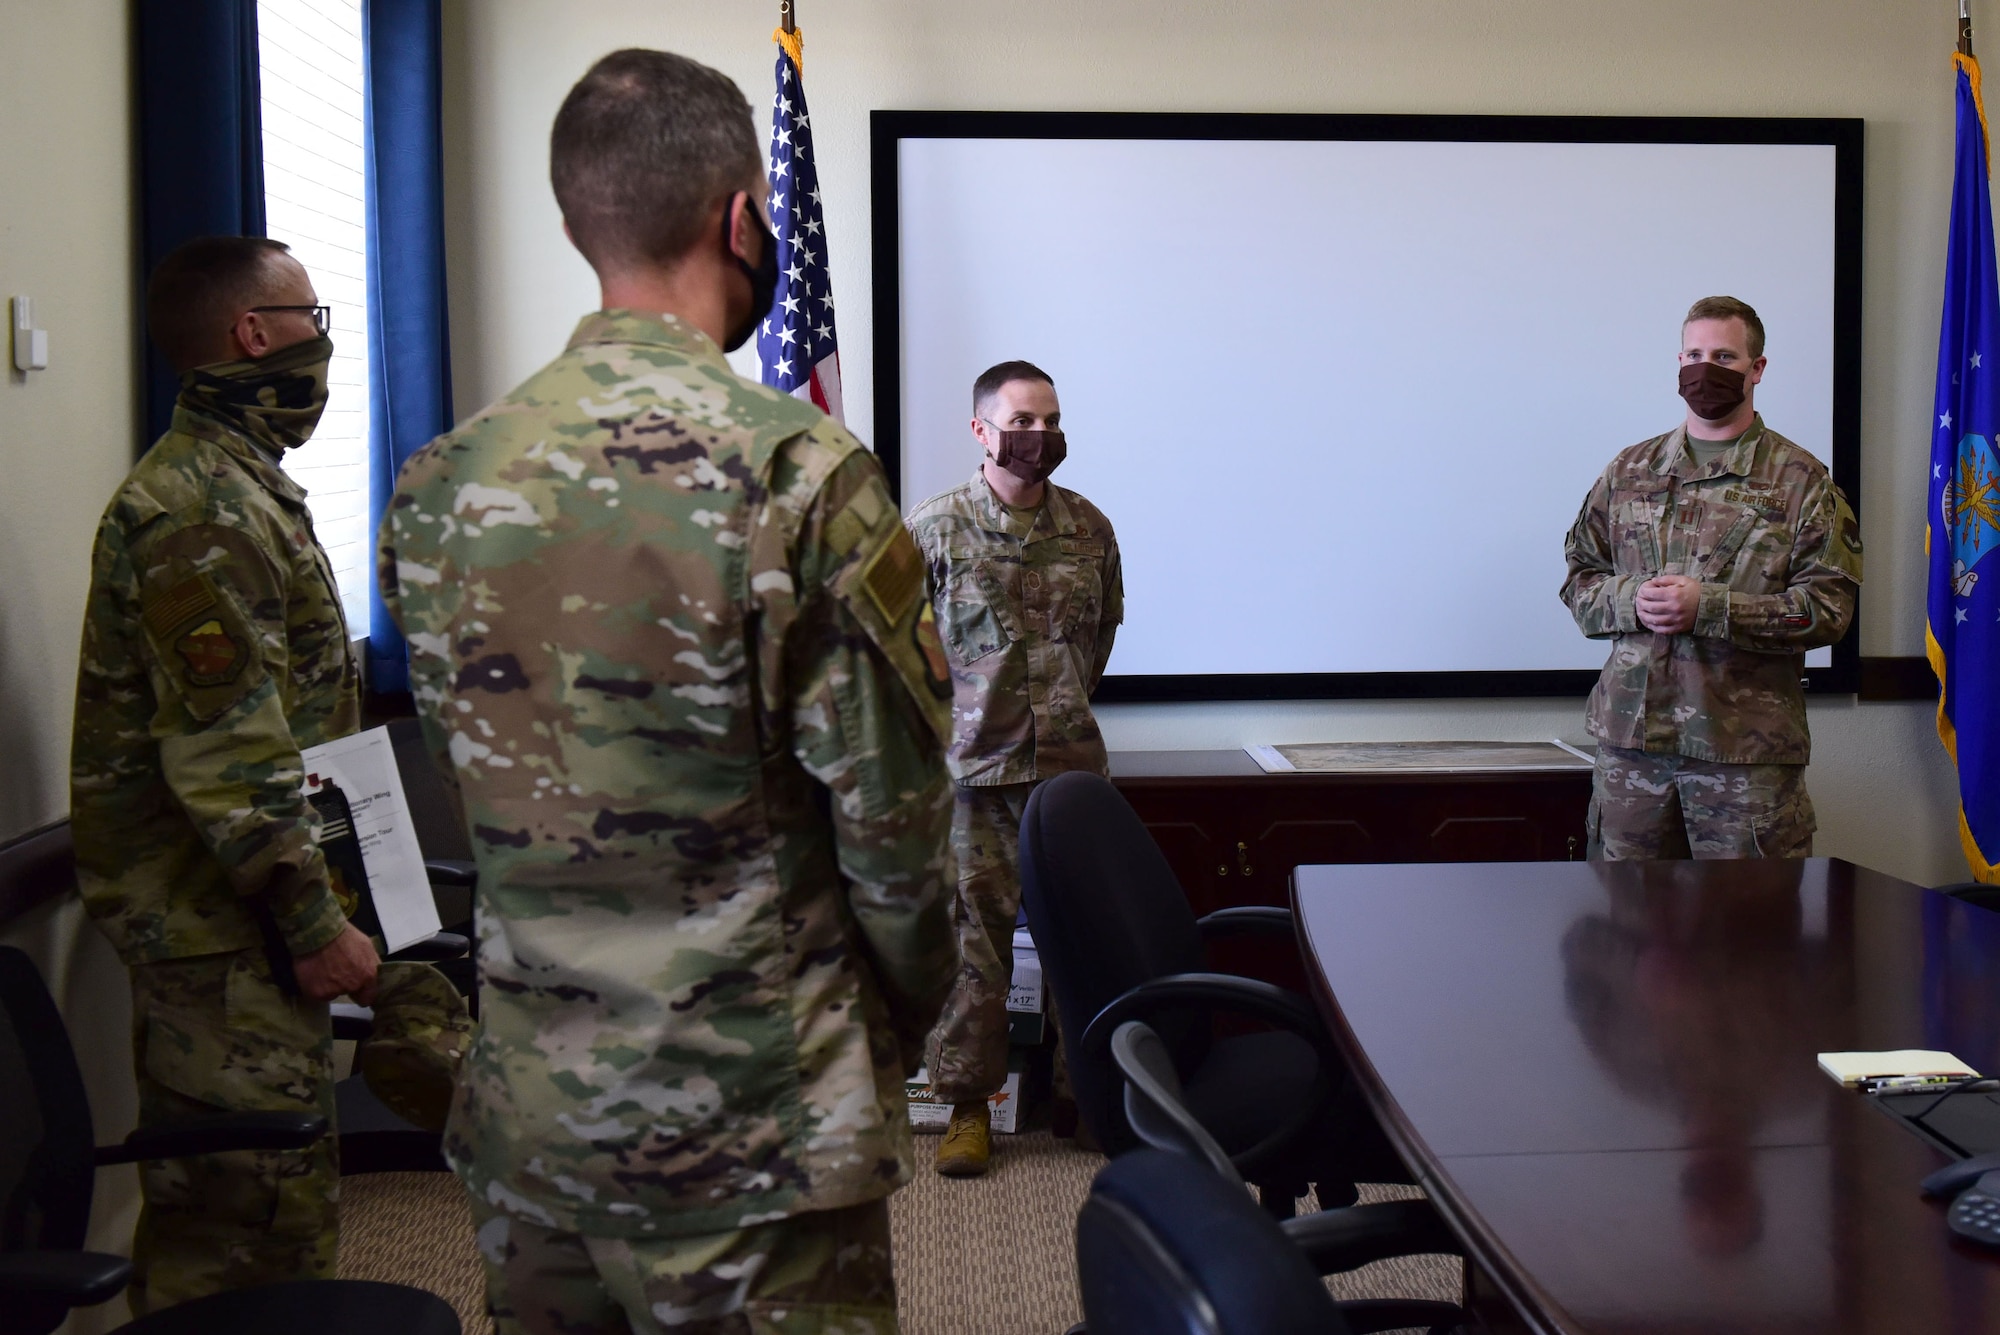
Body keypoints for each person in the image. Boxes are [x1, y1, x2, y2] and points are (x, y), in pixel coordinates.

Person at [377, 48, 957, 1335]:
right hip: (751, 1127)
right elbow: (897, 839)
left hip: (537, 1127)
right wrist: (896, 1030)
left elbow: (476, 786)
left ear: (582, 220)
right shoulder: (799, 472)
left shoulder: (439, 482)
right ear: (743, 220)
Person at [70, 234, 380, 1311]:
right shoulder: (198, 507)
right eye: (310, 318)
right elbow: (227, 753)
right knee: (239, 1242)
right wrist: (311, 921)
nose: (321, 345)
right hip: (218, 939)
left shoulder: (242, 486)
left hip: (236, 927)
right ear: (254, 336)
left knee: (273, 1219)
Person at [905, 361, 1124, 1176]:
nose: (1040, 436)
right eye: (1022, 420)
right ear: (980, 430)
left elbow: (1097, 644)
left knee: (1084, 945)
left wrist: (1055, 708)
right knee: (974, 949)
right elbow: (901, 655)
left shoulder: (1090, 530)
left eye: (1051, 419)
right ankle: (968, 1108)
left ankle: (1087, 1098)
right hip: (972, 779)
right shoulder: (933, 529)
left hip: (1070, 778)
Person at [1561, 295, 1863, 860]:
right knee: (1629, 934)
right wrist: (1630, 601)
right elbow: (1580, 580)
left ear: (1757, 368)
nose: (1706, 369)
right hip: (1632, 753)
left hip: (1743, 759)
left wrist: (1712, 608)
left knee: (1748, 937)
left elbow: (1829, 609)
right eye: (1694, 354)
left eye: (1724, 356)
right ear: (1678, 361)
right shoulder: (1629, 471)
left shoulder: (1801, 481)